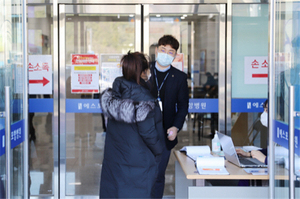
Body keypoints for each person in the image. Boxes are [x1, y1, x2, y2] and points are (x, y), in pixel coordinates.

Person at [99, 52, 164, 199]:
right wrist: (159, 150)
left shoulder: (114, 95)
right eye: (147, 70)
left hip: (116, 159)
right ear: (142, 72)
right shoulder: (144, 98)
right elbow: (148, 133)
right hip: (139, 163)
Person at [149, 35, 189, 198]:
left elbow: (183, 105)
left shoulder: (179, 77)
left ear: (175, 55)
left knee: (158, 175)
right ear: (157, 50)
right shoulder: (145, 71)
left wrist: (176, 127)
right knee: (141, 173)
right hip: (143, 132)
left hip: (165, 133)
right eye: (163, 49)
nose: (166, 54)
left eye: (170, 52)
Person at [236, 100, 269, 165]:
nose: (264, 114)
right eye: (264, 110)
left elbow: (284, 160)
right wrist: (249, 154)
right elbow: (269, 151)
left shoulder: (284, 133)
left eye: (267, 111)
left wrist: (265, 159)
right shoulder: (273, 131)